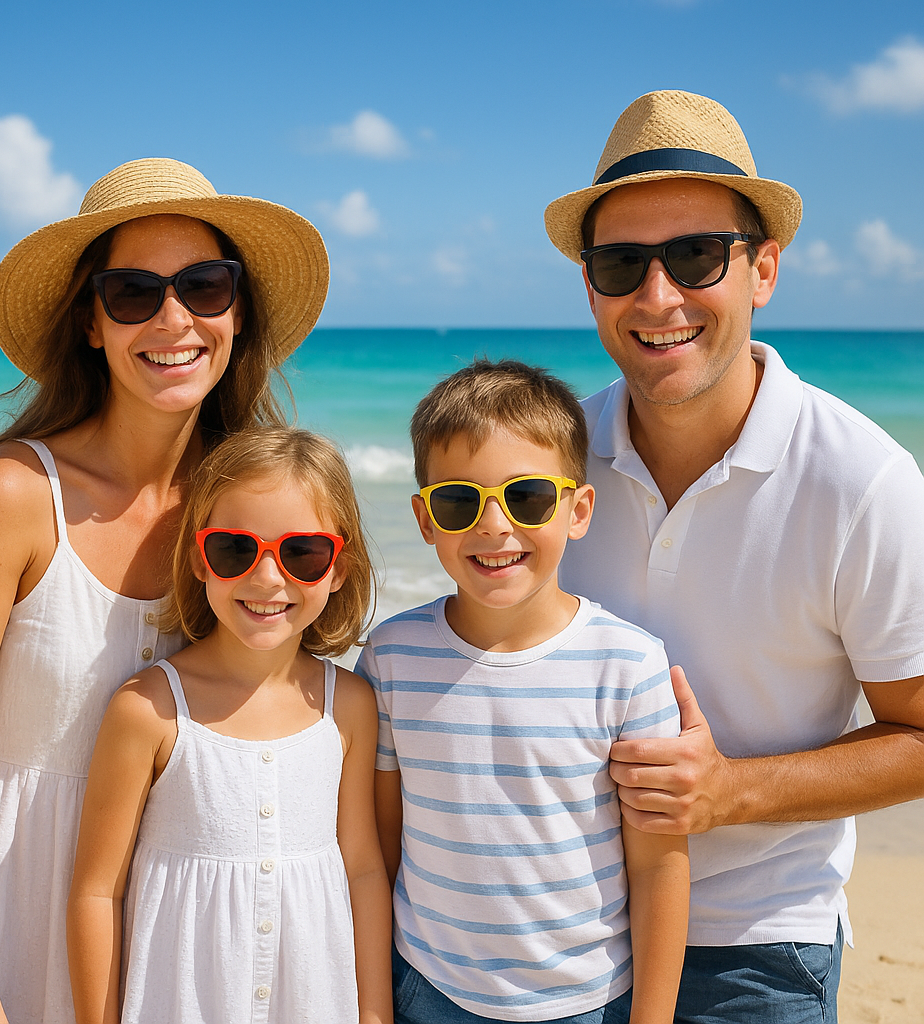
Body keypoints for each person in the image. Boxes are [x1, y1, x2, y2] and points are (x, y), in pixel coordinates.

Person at [0, 158, 329, 1024]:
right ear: (92, 325)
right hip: (5, 905)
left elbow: (289, 712)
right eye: (133, 293)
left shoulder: (244, 508)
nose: (175, 318)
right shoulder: (17, 494)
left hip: (178, 921)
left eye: (206, 286)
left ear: (237, 313)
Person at [544, 90, 924, 1023]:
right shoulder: (549, 457)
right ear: (589, 283)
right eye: (623, 263)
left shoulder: (862, 479)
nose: (658, 296)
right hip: (559, 930)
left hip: (758, 948)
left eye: (696, 257)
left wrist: (727, 793)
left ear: (764, 270)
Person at [357, 360, 690, 1024]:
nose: (493, 525)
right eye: (459, 501)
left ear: (578, 510)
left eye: (528, 497)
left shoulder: (628, 664)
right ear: (425, 519)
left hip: (587, 1002)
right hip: (427, 988)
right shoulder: (391, 657)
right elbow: (383, 846)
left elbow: (658, 867)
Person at [66, 428, 392, 1024]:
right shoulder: (148, 709)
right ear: (199, 559)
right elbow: (95, 892)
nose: (268, 578)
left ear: (339, 568)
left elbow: (364, 869)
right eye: (235, 550)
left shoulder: (349, 704)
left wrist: (373, 1013)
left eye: (302, 553)